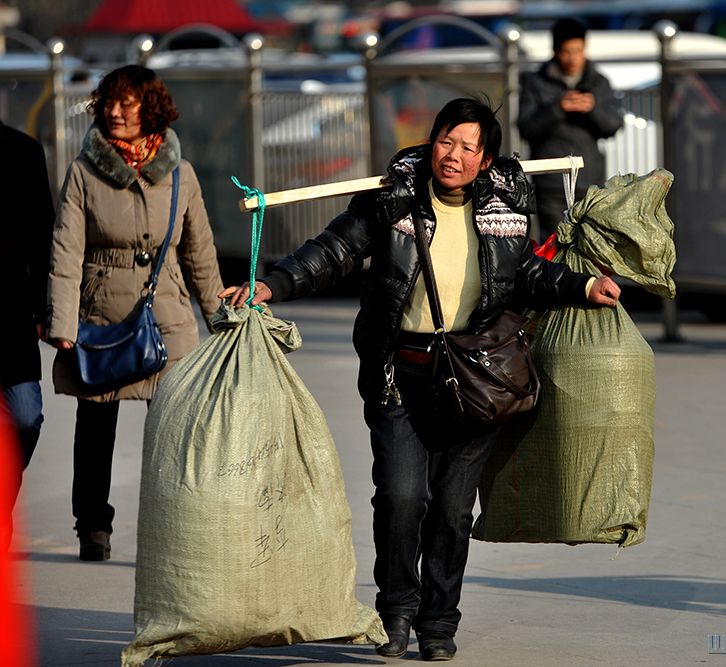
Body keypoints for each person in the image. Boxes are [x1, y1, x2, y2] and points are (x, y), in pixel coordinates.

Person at [220, 97, 620, 662]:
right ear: (430, 142)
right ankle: (397, 611)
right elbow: (333, 250)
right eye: (445, 141)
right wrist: (272, 285)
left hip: (473, 378)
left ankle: (439, 622)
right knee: (403, 497)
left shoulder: (505, 205)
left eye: (467, 148)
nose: (452, 156)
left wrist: (582, 287)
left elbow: (524, 268)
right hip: (398, 375)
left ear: (485, 160)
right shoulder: (393, 196)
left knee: (454, 509)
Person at [46, 65, 223, 562]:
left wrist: (219, 319)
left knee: (173, 426)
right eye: (109, 102)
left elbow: (200, 252)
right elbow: (65, 250)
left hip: (167, 312)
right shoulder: (84, 171)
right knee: (96, 424)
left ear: (152, 108)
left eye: (128, 103)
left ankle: (171, 525)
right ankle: (93, 526)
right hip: (101, 309)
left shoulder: (181, 173)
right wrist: (61, 324)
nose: (116, 112)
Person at [0, 120, 55, 551]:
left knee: (25, 416)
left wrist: (43, 308)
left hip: (13, 317)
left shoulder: (22, 151)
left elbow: (43, 238)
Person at [518, 17, 624, 238]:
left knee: (592, 244)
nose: (573, 57)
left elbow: (613, 126)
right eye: (567, 51)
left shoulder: (598, 82)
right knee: (557, 245)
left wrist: (592, 109)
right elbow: (526, 127)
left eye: (578, 50)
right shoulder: (536, 82)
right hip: (550, 181)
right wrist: (557, 108)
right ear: (556, 50)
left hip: (589, 181)